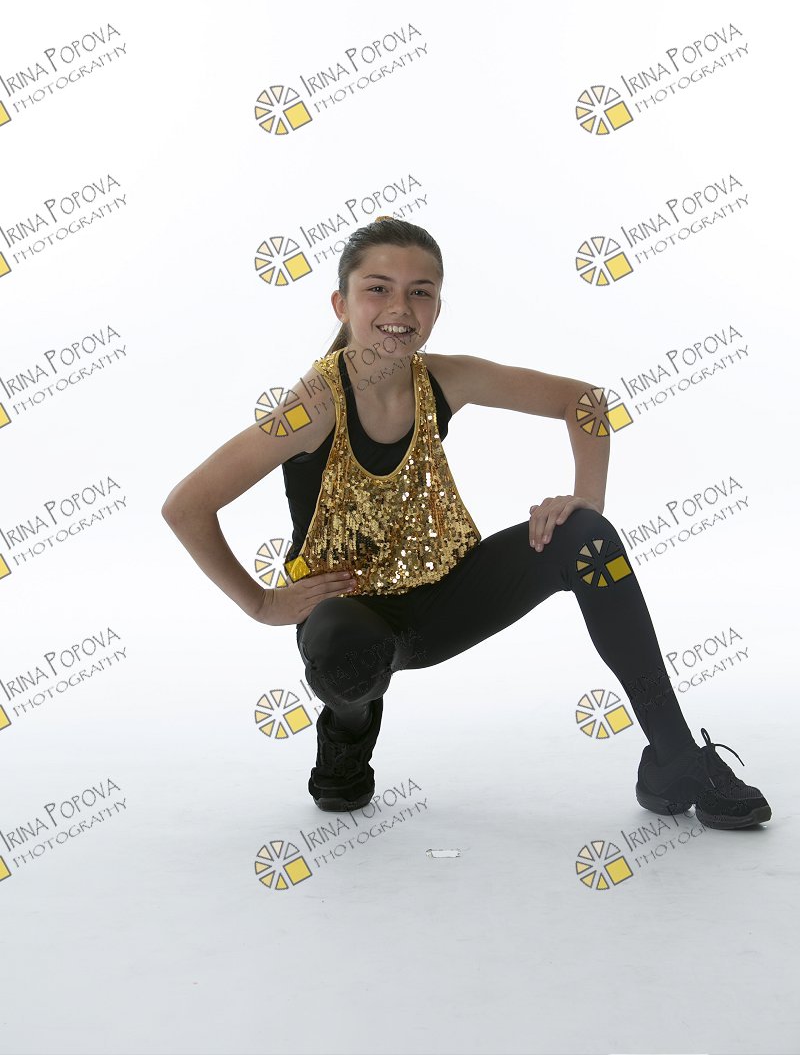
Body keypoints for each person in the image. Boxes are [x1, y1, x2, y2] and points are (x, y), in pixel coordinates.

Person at [162, 217, 771, 831]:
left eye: (420, 291)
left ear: (437, 306)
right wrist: (262, 603)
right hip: (350, 616)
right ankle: (347, 731)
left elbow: (584, 402)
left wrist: (587, 500)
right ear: (341, 304)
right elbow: (186, 507)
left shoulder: (445, 378)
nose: (400, 307)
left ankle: (675, 758)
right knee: (349, 657)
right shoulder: (312, 407)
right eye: (378, 288)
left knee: (588, 540)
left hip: (446, 597)